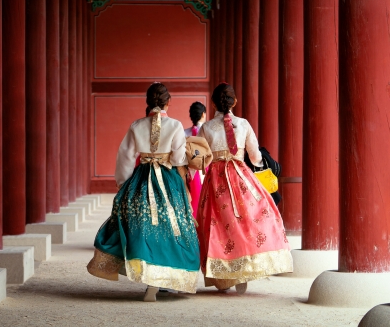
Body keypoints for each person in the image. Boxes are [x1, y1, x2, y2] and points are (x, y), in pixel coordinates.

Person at [87, 82, 200, 302]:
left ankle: (150, 279)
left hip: (142, 180)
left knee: (144, 227)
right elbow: (177, 159)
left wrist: (123, 183)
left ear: (148, 102)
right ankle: (167, 277)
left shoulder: (136, 125)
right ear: (168, 102)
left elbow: (126, 157)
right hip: (169, 181)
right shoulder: (176, 125)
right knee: (172, 227)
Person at [196, 83, 293, 294]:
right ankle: (244, 268)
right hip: (241, 175)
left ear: (213, 103)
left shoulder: (207, 128)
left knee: (218, 224)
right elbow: (256, 156)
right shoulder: (244, 124)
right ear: (235, 102)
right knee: (246, 220)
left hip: (216, 178)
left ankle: (223, 276)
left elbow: (203, 160)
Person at [184, 101, 207, 218]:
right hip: (205, 168)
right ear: (203, 114)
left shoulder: (184, 132)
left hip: (189, 171)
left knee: (193, 200)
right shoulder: (208, 130)